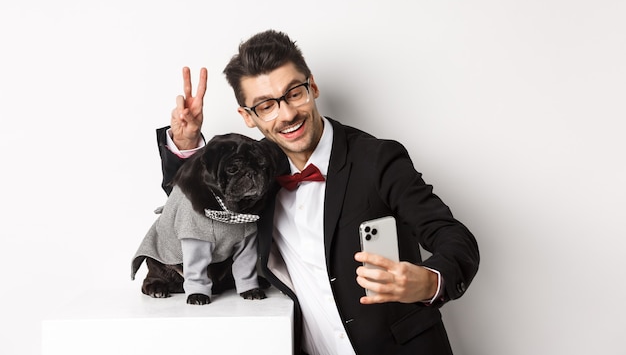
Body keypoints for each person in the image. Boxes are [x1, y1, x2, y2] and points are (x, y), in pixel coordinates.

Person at [156, 30, 480, 355]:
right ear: (247, 117)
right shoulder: (254, 170)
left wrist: (430, 281)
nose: (286, 114)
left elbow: (453, 236)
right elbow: (193, 210)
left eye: (294, 93)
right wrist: (186, 147)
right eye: (266, 105)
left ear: (312, 86)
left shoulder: (378, 159)